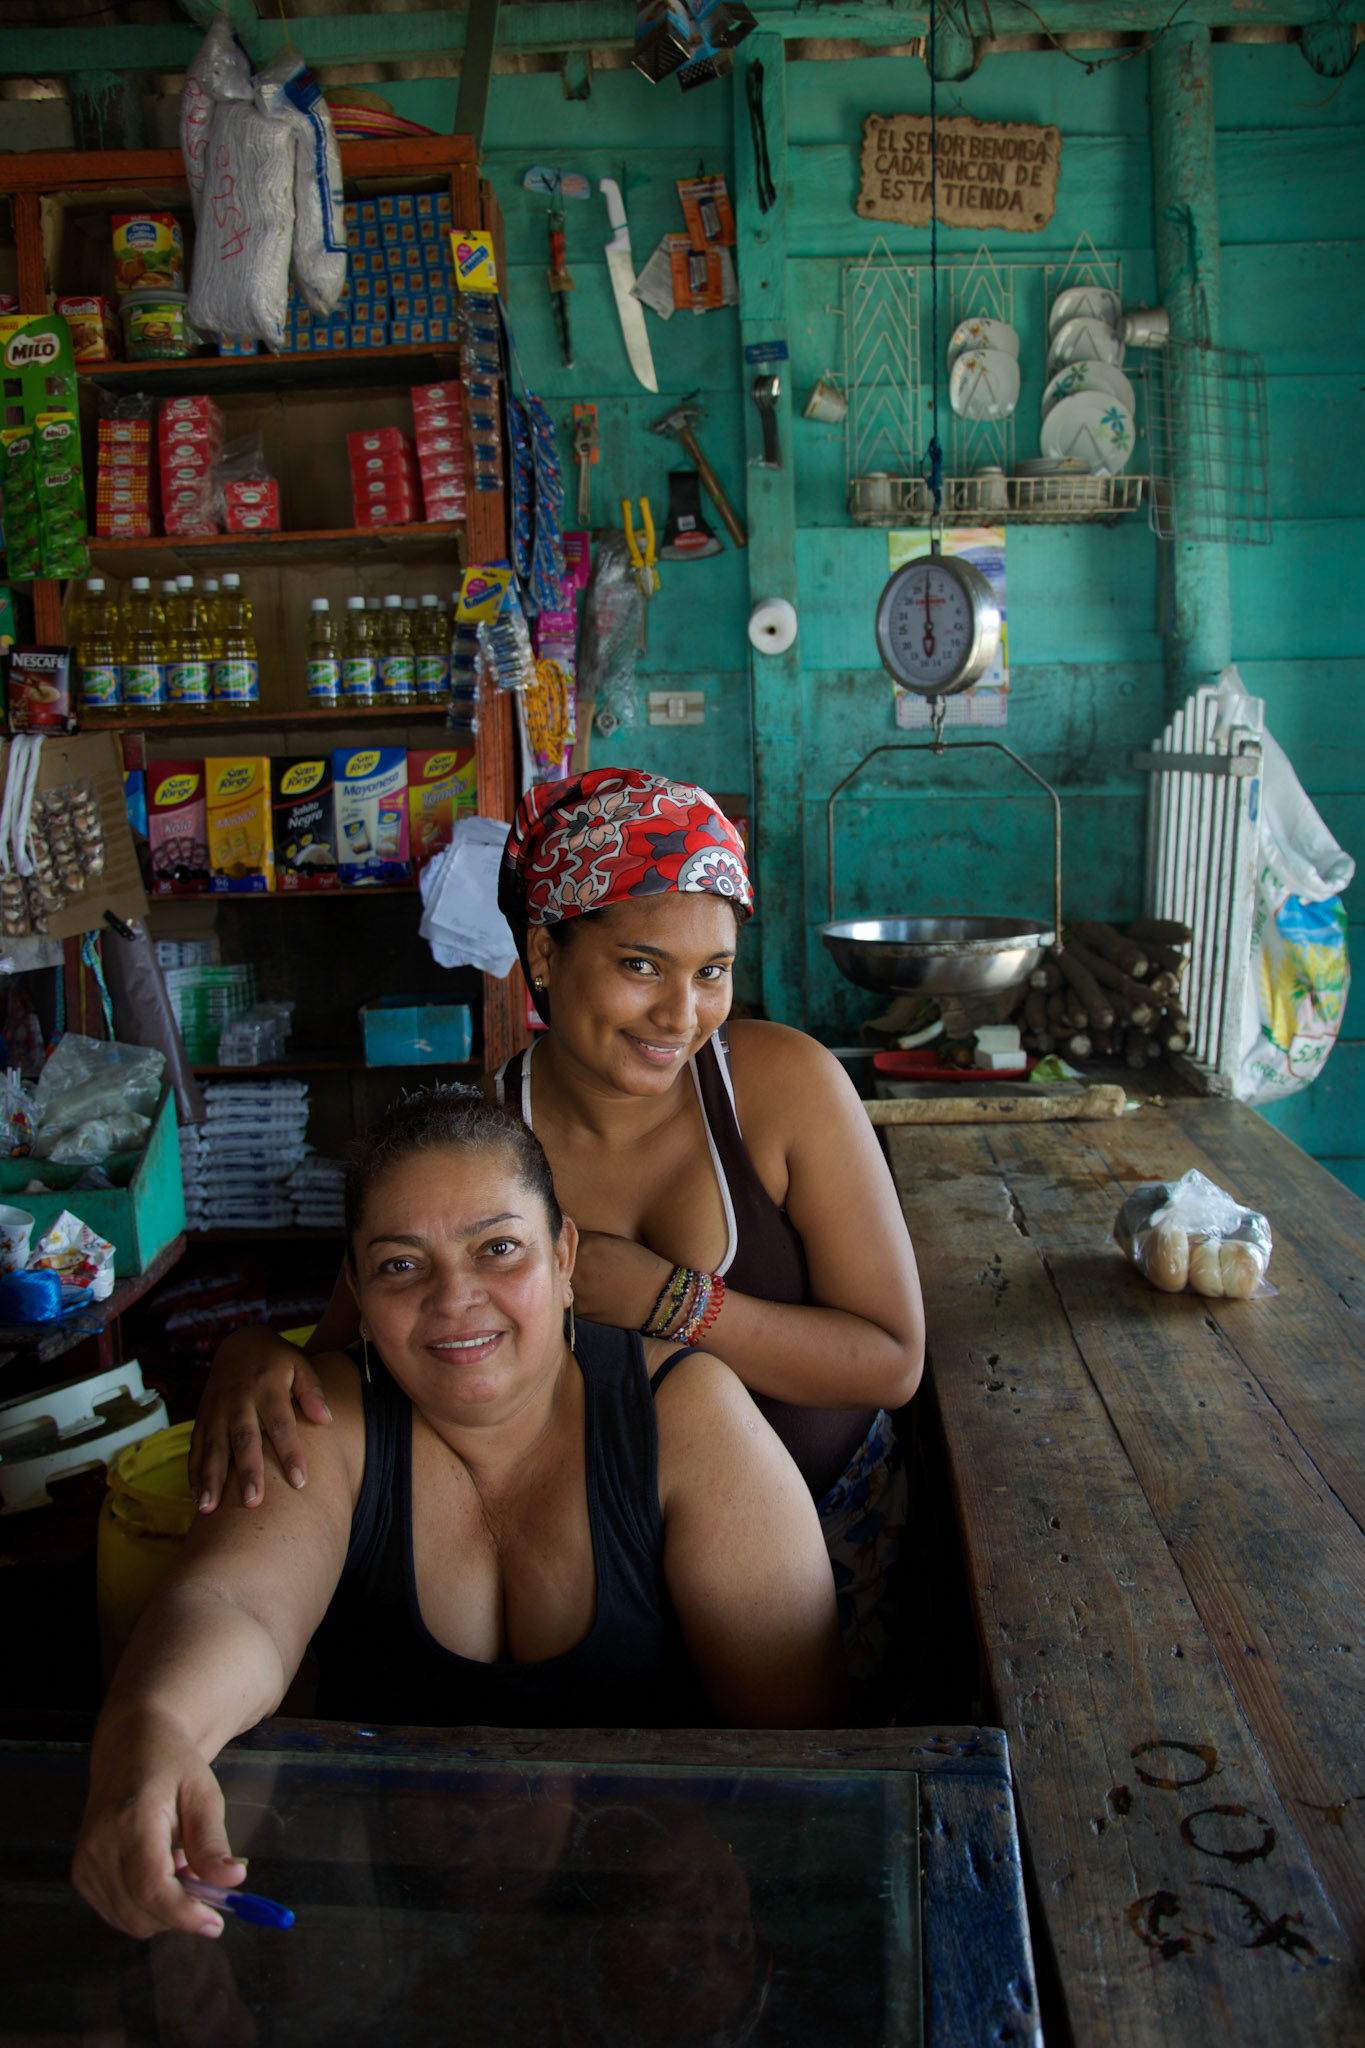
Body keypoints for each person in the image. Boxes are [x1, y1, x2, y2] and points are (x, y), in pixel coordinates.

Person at [191, 772, 925, 1681]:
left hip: (834, 1534)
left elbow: (891, 1360)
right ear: (544, 953)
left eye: (713, 972)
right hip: (609, 1573)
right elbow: (363, 1354)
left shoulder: (780, 1087)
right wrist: (253, 1352)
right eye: (640, 965)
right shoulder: (479, 1146)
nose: (680, 1013)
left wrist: (669, 1301)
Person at [73, 1089, 843, 1940]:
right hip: (401, 1925)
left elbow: (795, 1758)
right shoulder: (330, 1420)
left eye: (498, 1249)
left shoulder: (685, 1416)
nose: (454, 1298)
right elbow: (237, 1605)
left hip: (657, 1918)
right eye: (401, 1265)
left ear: (564, 1257)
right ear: (358, 1292)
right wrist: (156, 1732)